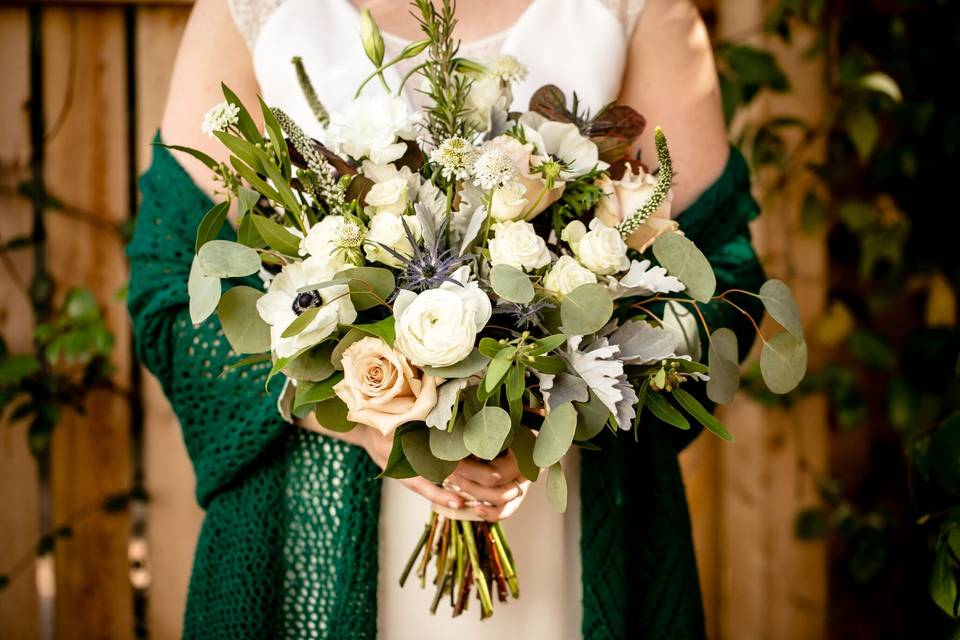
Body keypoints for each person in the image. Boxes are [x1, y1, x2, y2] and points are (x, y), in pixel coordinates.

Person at [127, 0, 766, 637]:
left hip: (564, 500)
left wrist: (556, 408)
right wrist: (361, 412)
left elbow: (718, 280)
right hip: (307, 526)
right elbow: (172, 292)